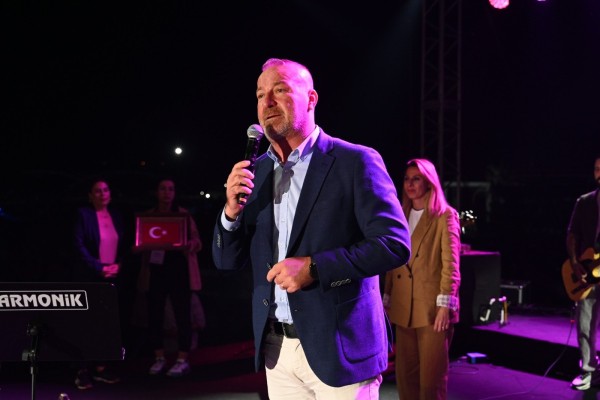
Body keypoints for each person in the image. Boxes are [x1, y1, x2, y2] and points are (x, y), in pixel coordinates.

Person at [211, 57, 411, 399]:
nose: (266, 102)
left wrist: (315, 268)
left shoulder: (355, 161)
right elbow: (226, 261)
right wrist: (230, 212)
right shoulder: (255, 172)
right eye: (259, 95)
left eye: (279, 90)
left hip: (341, 349)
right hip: (276, 349)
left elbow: (393, 244)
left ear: (311, 99)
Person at [382, 158, 461, 400]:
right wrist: (387, 297)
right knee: (405, 379)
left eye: (416, 179)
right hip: (403, 308)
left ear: (429, 182)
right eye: (407, 179)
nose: (410, 184)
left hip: (431, 311)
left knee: (430, 382)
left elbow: (451, 265)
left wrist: (444, 306)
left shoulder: (444, 216)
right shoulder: (399, 214)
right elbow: (393, 261)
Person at [138, 178, 203, 377]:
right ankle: (159, 358)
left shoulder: (183, 215)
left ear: (174, 193)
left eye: (170, 189)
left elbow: (197, 242)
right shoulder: (149, 216)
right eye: (163, 189)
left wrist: (189, 244)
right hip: (156, 272)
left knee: (182, 316)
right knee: (154, 316)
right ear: (157, 192)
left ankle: (182, 359)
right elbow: (140, 242)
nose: (167, 192)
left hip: (180, 272)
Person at [72, 177, 125, 389]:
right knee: (87, 325)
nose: (102, 194)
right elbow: (79, 245)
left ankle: (101, 368)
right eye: (97, 191)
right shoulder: (83, 215)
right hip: (91, 276)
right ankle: (82, 370)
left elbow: (123, 245)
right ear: (90, 196)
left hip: (112, 277)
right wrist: (98, 267)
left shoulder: (116, 215)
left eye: (105, 190)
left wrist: (118, 265)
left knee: (106, 324)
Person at [567, 154, 600, 391]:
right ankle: (589, 370)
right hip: (589, 272)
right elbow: (572, 234)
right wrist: (574, 261)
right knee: (585, 321)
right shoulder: (585, 201)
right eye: (597, 169)